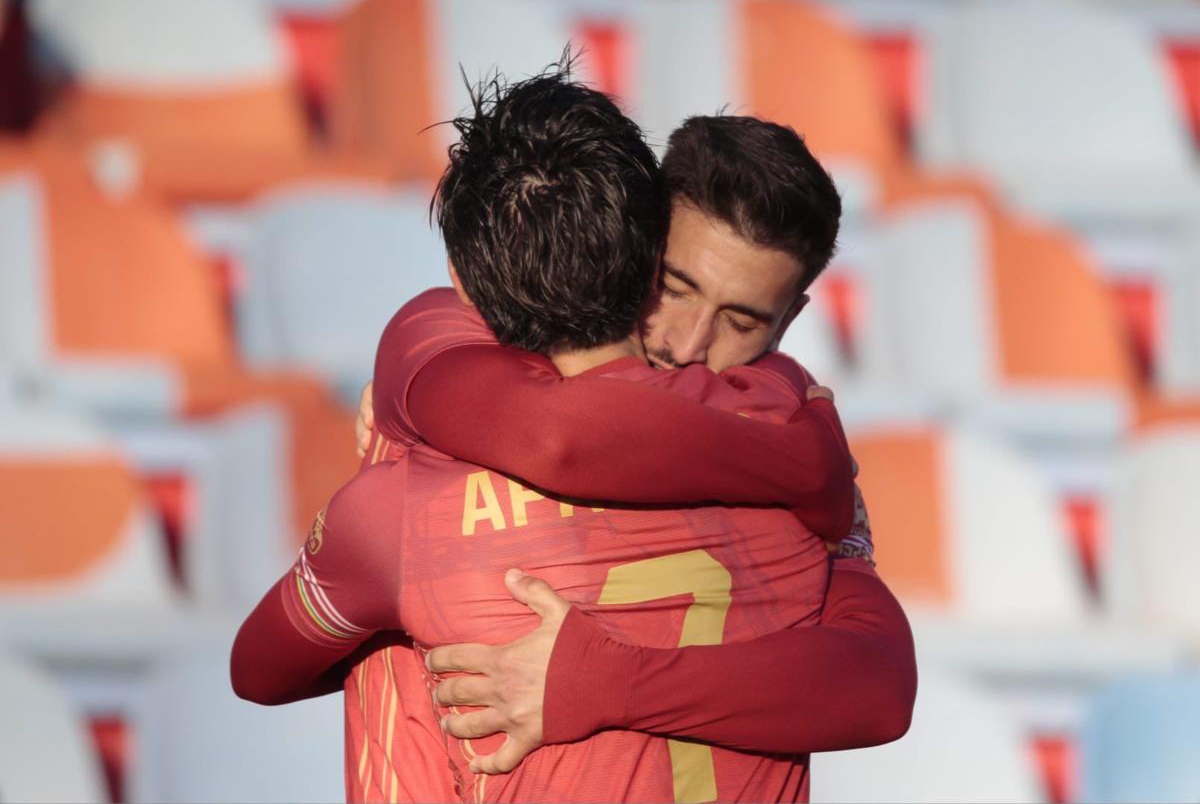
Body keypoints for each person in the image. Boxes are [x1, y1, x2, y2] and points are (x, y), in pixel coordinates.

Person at [233, 65, 913, 802]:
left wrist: (615, 681)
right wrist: (800, 462)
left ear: (791, 320)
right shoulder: (798, 434)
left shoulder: (426, 408)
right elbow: (556, 432)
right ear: (634, 244)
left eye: (742, 321)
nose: (687, 344)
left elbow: (880, 689)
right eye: (675, 287)